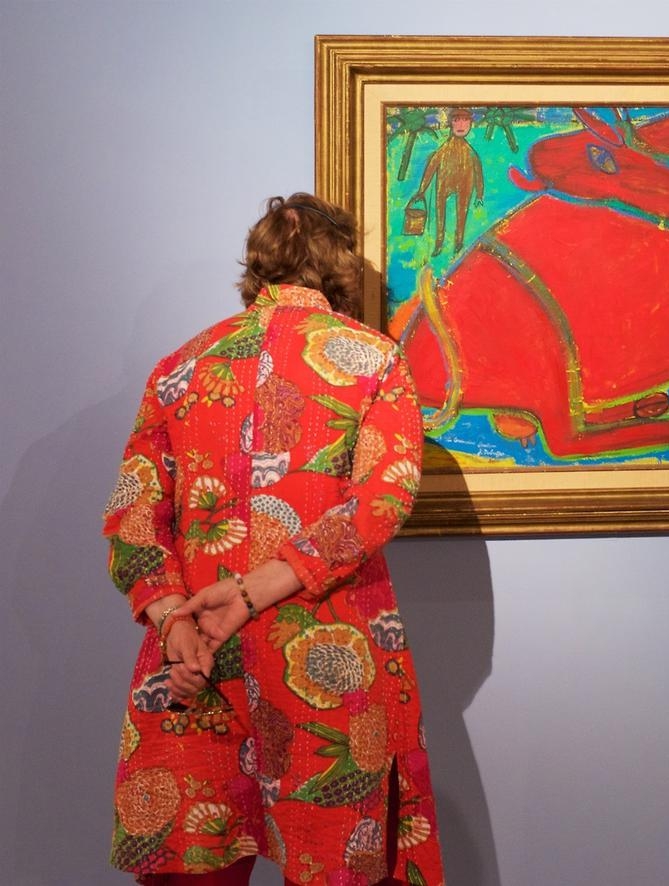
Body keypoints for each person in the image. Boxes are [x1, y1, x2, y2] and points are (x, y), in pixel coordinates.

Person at [102, 194, 444, 886]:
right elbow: (382, 498)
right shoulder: (376, 361)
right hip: (324, 649)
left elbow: (132, 515)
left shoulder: (179, 367)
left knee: (197, 863)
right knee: (330, 863)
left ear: (257, 265)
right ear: (340, 267)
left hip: (195, 653)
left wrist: (173, 621)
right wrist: (259, 590)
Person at [413, 107, 484, 256]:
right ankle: (439, 243)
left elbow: (478, 173)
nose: (461, 125)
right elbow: (431, 167)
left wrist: (479, 194)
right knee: (440, 212)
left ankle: (459, 243)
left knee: (462, 214)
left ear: (470, 124)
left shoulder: (471, 152)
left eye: (465, 121)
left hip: (465, 183)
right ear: (451, 123)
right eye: (457, 120)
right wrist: (422, 190)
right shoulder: (444, 150)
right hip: (444, 183)